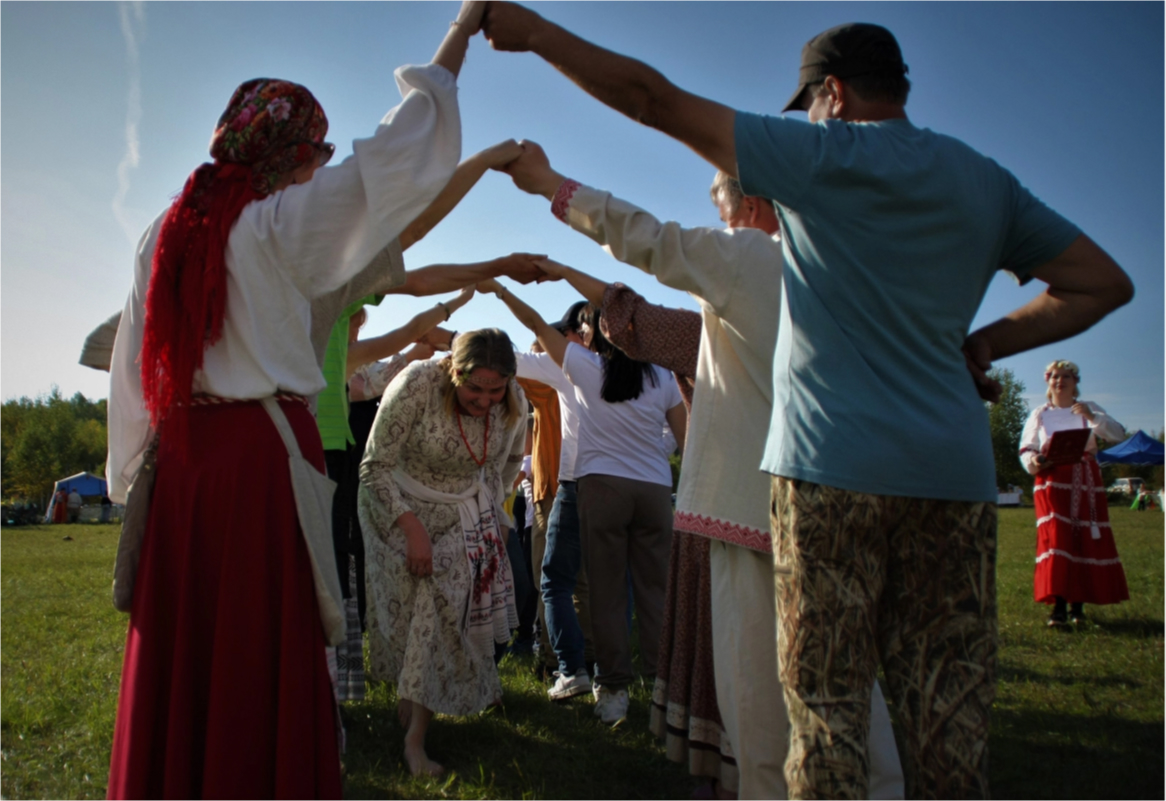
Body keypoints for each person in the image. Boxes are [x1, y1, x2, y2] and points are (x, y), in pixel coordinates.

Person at [480, 8, 1134, 798]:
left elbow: (652, 109)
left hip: (829, 477)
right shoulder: (981, 179)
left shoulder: (819, 164)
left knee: (819, 715)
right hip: (953, 484)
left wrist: (538, 54)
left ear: (830, 94)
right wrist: (984, 345)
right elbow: (1102, 281)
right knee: (946, 717)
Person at [105, 5, 488, 796]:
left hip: (182, 469)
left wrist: (133, 478)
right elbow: (393, 161)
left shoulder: (161, 233)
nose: (321, 164)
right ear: (283, 154)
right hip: (255, 465)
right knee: (256, 658)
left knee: (193, 664)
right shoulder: (276, 221)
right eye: (313, 149)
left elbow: (135, 372)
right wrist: (458, 35)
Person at [504, 140, 904, 799]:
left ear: (748, 206)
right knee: (839, 671)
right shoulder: (837, 277)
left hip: (750, 510)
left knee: (755, 686)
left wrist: (552, 188)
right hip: (832, 503)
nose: (716, 226)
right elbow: (654, 329)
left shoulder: (751, 254)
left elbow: (651, 245)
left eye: (719, 210)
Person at [482, 277, 687, 725]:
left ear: (603, 331)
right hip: (654, 491)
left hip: (602, 489)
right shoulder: (662, 377)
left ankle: (613, 690)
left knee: (607, 595)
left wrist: (501, 291)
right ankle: (665, 692)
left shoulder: (584, 366)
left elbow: (535, 322)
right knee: (656, 594)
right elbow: (683, 442)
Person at [357, 328, 526, 776]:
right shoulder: (417, 384)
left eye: (496, 390)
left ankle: (415, 742)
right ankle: (411, 698)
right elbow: (374, 467)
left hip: (464, 517)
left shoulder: (515, 401)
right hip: (396, 507)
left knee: (441, 605)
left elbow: (504, 468)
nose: (486, 400)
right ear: (452, 371)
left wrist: (501, 518)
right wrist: (410, 527)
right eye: (475, 388)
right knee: (411, 618)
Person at [513, 301, 599, 699]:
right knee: (583, 581)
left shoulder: (553, 379)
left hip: (555, 491)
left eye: (541, 346)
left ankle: (557, 661)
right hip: (592, 485)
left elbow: (515, 365)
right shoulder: (596, 376)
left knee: (552, 580)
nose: (538, 353)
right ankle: (592, 662)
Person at [1019, 360, 1129, 626]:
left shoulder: (1089, 408)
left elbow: (1118, 434)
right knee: (1057, 540)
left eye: (1066, 376)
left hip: (1084, 479)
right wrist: (1035, 461)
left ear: (1075, 381)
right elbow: (1027, 447)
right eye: (1055, 377)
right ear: (1048, 382)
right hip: (1052, 481)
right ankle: (1057, 608)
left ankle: (1077, 609)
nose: (1060, 381)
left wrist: (1092, 417)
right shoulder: (1039, 413)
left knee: (1082, 538)